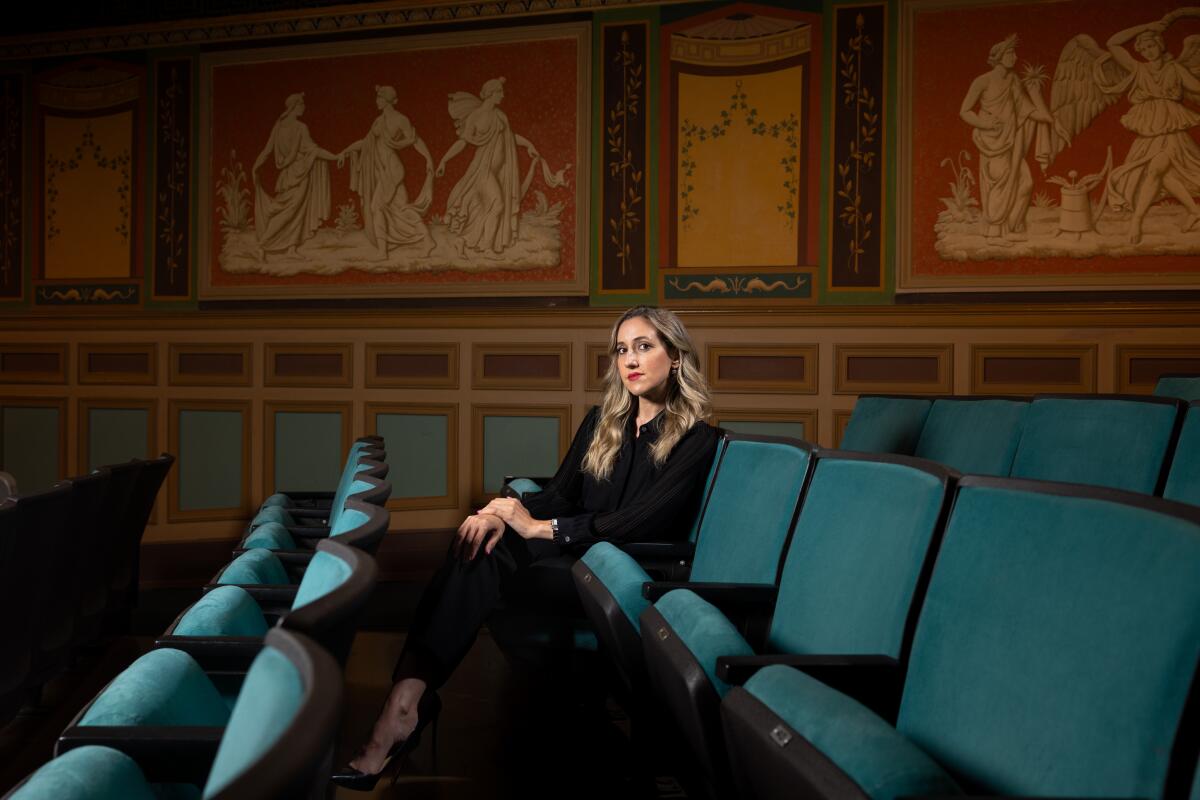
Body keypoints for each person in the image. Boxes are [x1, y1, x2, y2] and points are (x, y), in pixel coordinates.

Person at [332, 306, 719, 790]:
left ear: (676, 357)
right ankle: (404, 703)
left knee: (489, 553)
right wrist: (500, 511)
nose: (630, 361)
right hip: (577, 555)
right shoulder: (603, 422)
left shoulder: (698, 438)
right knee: (477, 541)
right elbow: (560, 493)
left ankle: (405, 711)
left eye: (644, 347)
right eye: (622, 350)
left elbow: (638, 521)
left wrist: (540, 529)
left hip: (625, 575)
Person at [436, 76, 566, 254]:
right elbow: (462, 142)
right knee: (497, 205)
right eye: (500, 92)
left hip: (496, 172)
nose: (503, 96)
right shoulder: (476, 117)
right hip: (483, 170)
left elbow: (510, 137)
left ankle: (469, 242)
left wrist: (529, 145)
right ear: (491, 93)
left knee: (486, 209)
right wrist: (444, 160)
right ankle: (487, 249)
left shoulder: (500, 116)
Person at [1105, 11, 1200, 243]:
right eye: (1143, 48)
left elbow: (1197, 87)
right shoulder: (1138, 69)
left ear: (1160, 44)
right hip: (1149, 128)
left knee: (1156, 170)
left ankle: (1136, 221)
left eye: (1151, 45)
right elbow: (1112, 43)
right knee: (1162, 175)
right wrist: (1147, 25)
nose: (1148, 51)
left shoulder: (1175, 68)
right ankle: (1194, 211)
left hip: (1171, 127)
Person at [959, 35, 1066, 242]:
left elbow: (1027, 109)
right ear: (999, 56)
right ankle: (994, 233)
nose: (1015, 57)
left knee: (1025, 183)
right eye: (1010, 53)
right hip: (992, 142)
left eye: (1013, 53)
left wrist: (1053, 121)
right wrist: (984, 124)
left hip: (1011, 142)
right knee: (999, 185)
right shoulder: (982, 81)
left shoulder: (1013, 80)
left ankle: (1011, 226)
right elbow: (965, 111)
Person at [338, 85, 436, 260]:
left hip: (392, 169)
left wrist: (428, 158)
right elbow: (366, 143)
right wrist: (345, 151)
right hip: (382, 171)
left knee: (376, 207)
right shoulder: (378, 121)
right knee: (401, 208)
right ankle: (428, 240)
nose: (377, 101)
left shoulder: (400, 119)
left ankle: (383, 252)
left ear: (387, 100)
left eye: (380, 98)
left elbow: (415, 140)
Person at [251, 93, 340, 258]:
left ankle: (291, 249)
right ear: (294, 107)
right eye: (301, 104)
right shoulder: (300, 128)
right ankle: (262, 244)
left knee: (297, 211)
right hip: (298, 173)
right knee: (288, 212)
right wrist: (335, 157)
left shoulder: (279, 127)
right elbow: (314, 150)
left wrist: (256, 165)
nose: (303, 107)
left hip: (289, 175)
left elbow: (267, 151)